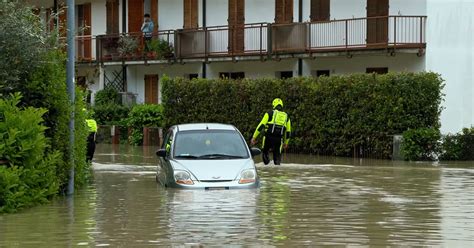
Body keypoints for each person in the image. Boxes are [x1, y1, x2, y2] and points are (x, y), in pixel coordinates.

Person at [251, 98, 291, 165]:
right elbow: (288, 132)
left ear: (273, 105)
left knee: (265, 157)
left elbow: (261, 125)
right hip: (279, 140)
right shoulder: (286, 116)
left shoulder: (269, 113)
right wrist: (286, 142)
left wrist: (254, 137)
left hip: (268, 138)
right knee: (277, 161)